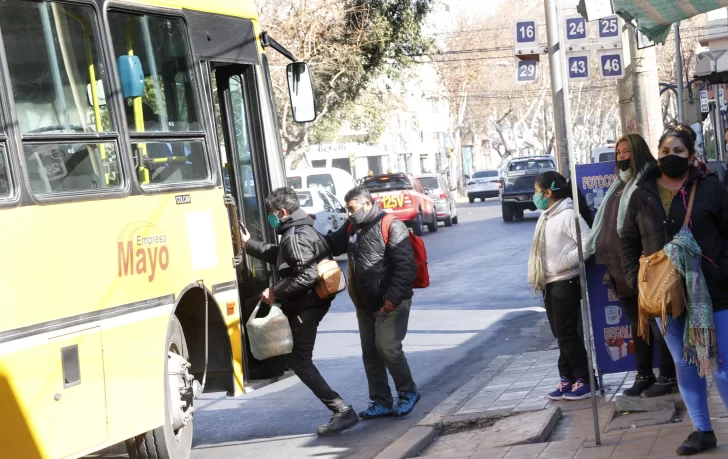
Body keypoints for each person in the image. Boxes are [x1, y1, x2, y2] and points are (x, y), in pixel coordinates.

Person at [621, 127, 728, 455]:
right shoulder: (642, 193)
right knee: (684, 362)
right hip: (664, 296)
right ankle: (702, 430)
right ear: (657, 153)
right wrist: (633, 277)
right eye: (665, 149)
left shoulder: (711, 188)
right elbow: (628, 238)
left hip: (715, 289)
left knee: (722, 363)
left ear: (691, 156)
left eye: (678, 151)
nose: (671, 156)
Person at [239, 187, 359, 436]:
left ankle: (342, 411)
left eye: (273, 213)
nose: (271, 217)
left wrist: (275, 291)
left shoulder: (295, 236)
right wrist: (248, 245)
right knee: (293, 355)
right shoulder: (301, 228)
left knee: (300, 361)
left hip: (308, 305)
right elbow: (283, 256)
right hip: (310, 303)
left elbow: (306, 274)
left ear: (282, 212)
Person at [586, 134, 677, 397]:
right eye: (618, 153)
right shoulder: (618, 185)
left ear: (638, 152)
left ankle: (668, 374)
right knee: (638, 327)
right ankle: (644, 374)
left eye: (627, 152)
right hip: (620, 271)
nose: (622, 157)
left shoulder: (648, 184)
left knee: (658, 327)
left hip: (647, 269)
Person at [325, 186, 420, 419]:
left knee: (388, 349)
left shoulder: (391, 225)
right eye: (346, 209)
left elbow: (406, 268)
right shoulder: (351, 226)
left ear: (367, 204)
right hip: (364, 305)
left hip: (390, 304)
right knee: (370, 354)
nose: (349, 214)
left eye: (352, 209)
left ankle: (408, 392)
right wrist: (303, 230)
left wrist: (392, 300)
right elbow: (330, 244)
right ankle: (381, 402)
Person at [528, 171, 595, 401]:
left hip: (565, 281)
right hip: (549, 282)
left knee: (566, 334)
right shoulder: (547, 215)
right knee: (561, 334)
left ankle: (586, 378)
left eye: (537, 192)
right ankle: (567, 378)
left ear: (548, 193)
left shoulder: (567, 214)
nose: (534, 196)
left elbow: (588, 244)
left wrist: (561, 264)